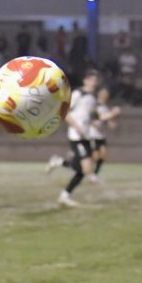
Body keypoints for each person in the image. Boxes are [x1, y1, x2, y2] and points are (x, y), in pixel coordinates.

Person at [45, 69, 99, 207]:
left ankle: (64, 193)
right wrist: (75, 126)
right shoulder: (77, 94)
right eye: (91, 80)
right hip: (76, 136)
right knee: (86, 169)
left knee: (82, 171)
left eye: (95, 80)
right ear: (85, 81)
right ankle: (59, 165)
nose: (94, 82)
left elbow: (90, 116)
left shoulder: (92, 98)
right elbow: (65, 111)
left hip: (86, 135)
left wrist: (96, 122)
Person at [89, 87, 121, 182]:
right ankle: (64, 163)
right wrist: (112, 113)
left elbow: (109, 122)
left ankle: (94, 175)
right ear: (98, 93)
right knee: (94, 156)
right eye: (103, 93)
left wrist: (113, 125)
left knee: (103, 154)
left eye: (106, 93)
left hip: (101, 135)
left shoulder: (106, 107)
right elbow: (92, 119)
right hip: (92, 134)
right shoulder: (94, 105)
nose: (105, 95)